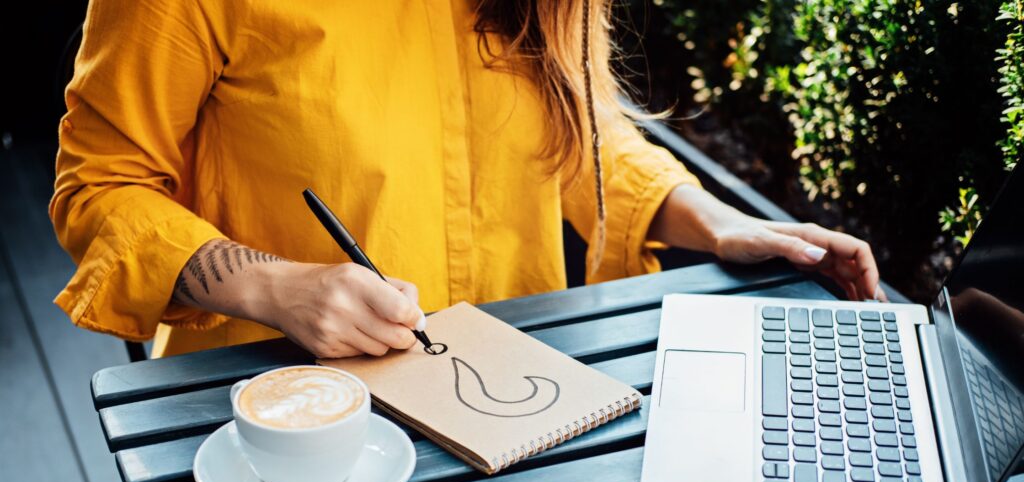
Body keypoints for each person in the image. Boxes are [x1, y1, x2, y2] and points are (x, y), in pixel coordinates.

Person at [51, 0, 883, 359]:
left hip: (522, 383)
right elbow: (100, 186)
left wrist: (708, 219)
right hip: (290, 413)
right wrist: (277, 288)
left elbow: (571, 126)